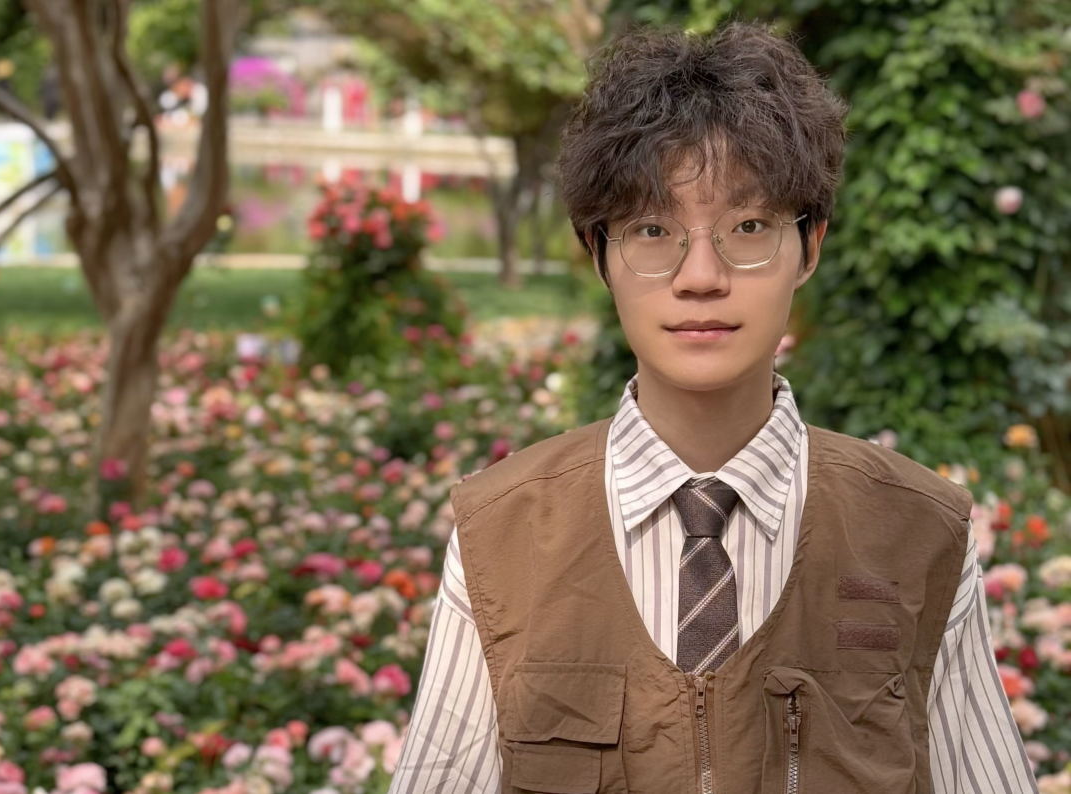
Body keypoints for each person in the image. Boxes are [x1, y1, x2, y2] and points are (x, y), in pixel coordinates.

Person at [389, 22, 1038, 794]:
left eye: (749, 227)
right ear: (598, 253)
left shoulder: (919, 533)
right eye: (652, 229)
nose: (701, 276)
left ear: (811, 246)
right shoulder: (501, 534)